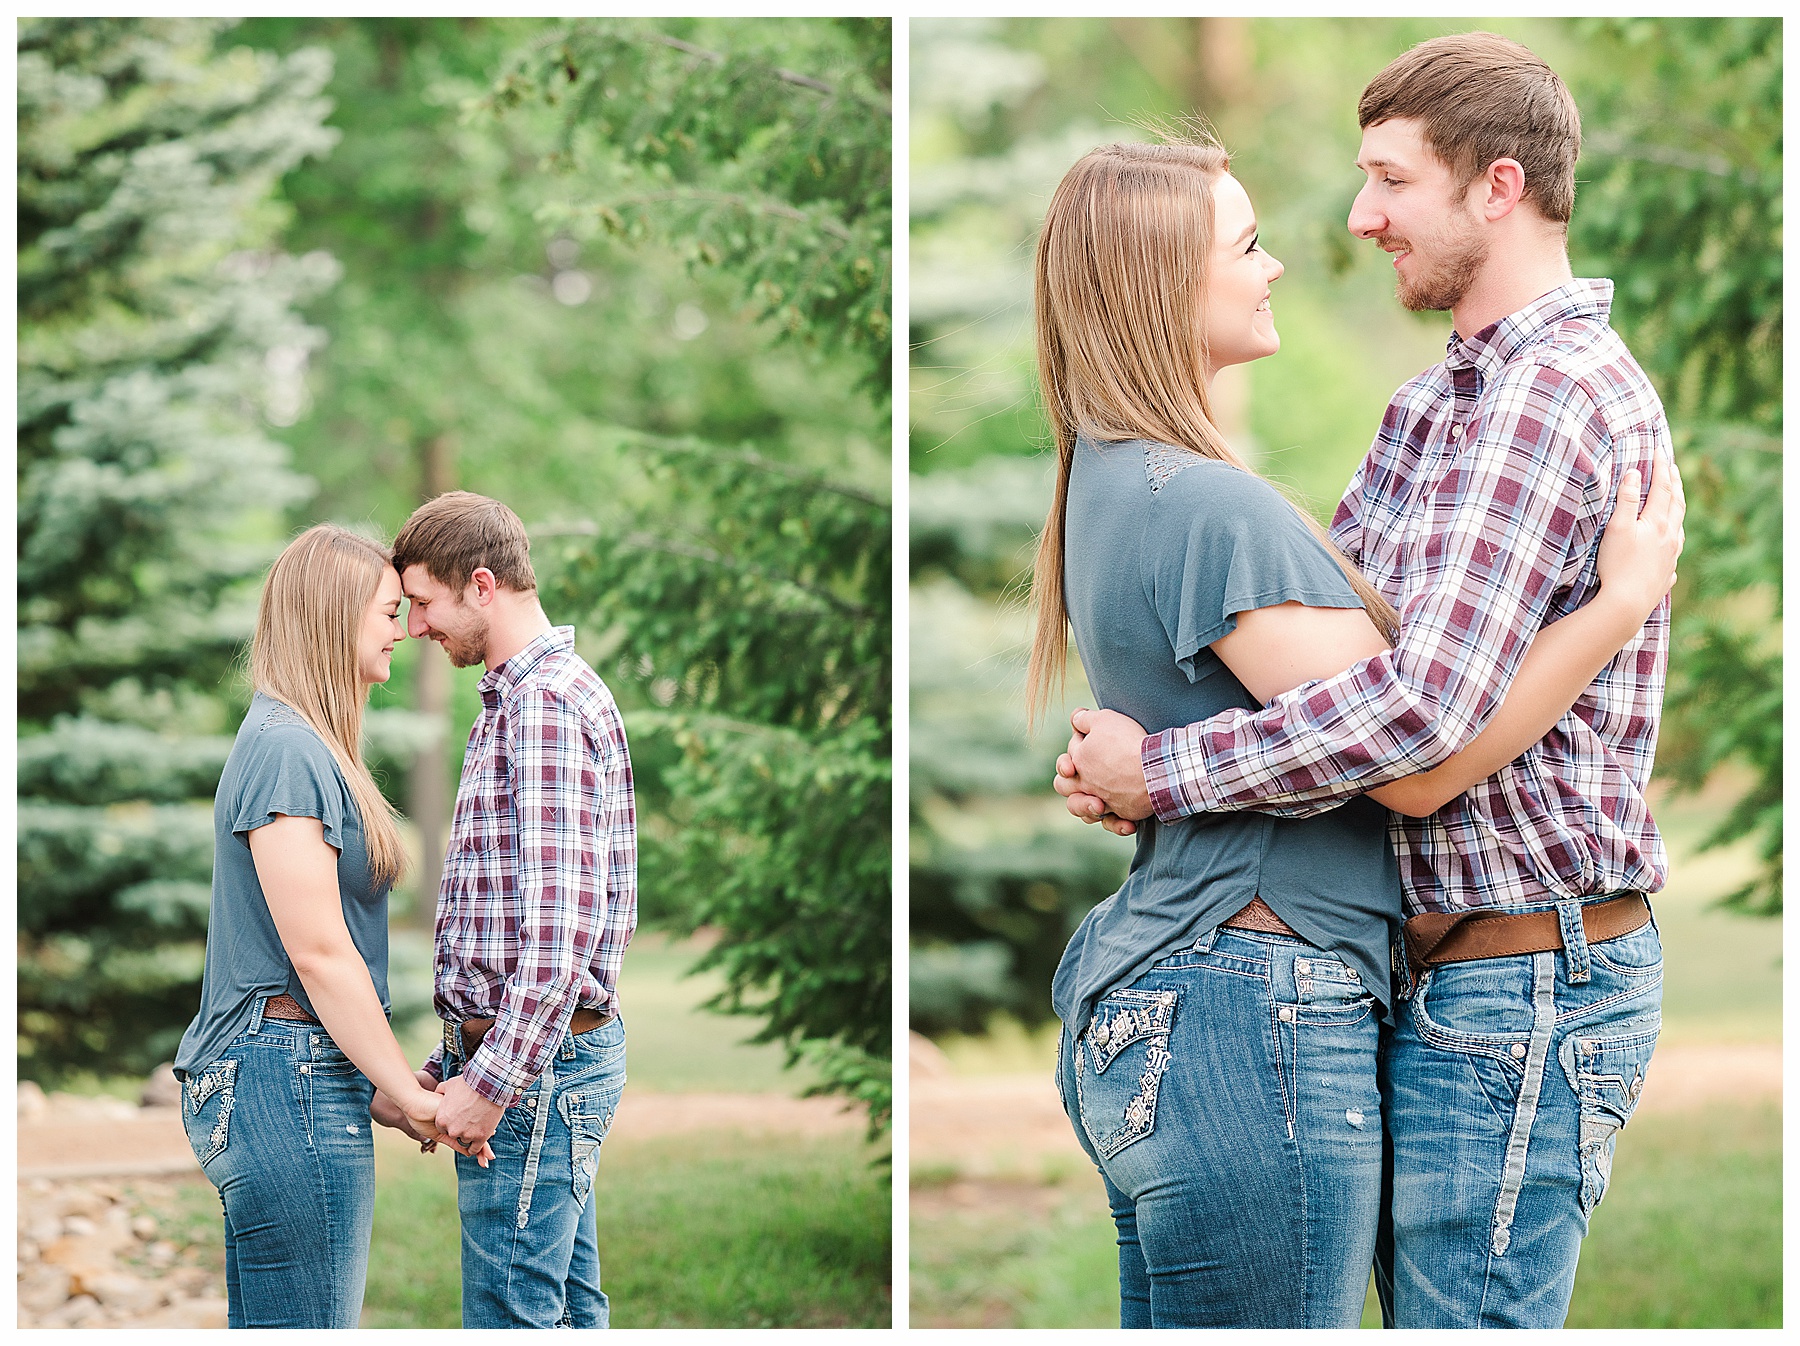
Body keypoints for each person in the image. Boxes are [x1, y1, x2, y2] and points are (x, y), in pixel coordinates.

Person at [1055, 34, 1679, 1329]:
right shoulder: (1426, 410)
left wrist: (1160, 769)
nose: (1359, 216)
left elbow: (1414, 726)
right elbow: (1343, 674)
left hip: (1528, 976)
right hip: (1429, 970)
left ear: (1496, 188)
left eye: (1391, 180)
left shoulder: (1549, 398)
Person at [173, 524, 490, 1330]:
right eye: (389, 612)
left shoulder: (301, 743)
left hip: (297, 1075)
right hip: (284, 1078)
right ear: (332, 617)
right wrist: (407, 1095)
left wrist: (381, 1084)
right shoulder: (287, 749)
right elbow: (317, 954)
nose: (407, 628)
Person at [392, 490, 637, 1329]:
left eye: (423, 603)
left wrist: (489, 1085)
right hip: (531, 1054)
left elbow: (560, 938)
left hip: (536, 1074)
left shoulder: (543, 708)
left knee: (511, 1318)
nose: (415, 627)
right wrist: (450, 1053)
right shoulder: (520, 699)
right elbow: (512, 922)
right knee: (564, 1314)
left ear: (482, 585)